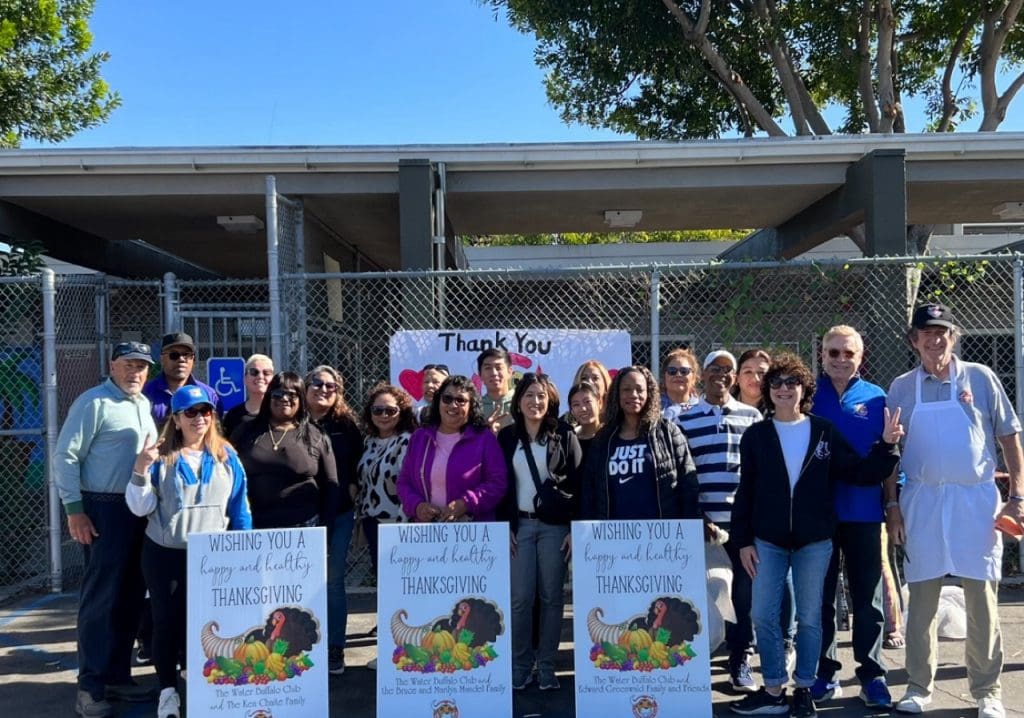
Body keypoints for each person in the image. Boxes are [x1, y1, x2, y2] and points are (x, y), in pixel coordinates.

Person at [729, 354, 902, 718]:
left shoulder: (823, 431)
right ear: (768, 390)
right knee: (763, 614)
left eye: (792, 382)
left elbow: (859, 473)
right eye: (776, 383)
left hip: (814, 541)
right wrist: (743, 540)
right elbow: (745, 492)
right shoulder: (756, 436)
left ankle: (804, 688)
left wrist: (886, 445)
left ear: (804, 389)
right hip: (767, 541)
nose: (784, 389)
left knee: (809, 617)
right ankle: (773, 689)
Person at [887, 304, 1024, 718]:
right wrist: (893, 506)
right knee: (921, 601)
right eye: (927, 333)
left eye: (943, 331)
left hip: (975, 502)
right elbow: (890, 451)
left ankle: (987, 691)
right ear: (914, 340)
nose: (936, 339)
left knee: (982, 600)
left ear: (954, 336)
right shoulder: (901, 387)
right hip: (922, 502)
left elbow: (1009, 437)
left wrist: (1017, 497)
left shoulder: (980, 377)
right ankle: (917, 686)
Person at [126, 385, 252, 718]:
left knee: (208, 623)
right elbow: (140, 508)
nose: (199, 418)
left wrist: (243, 550)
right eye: (191, 412)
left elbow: (239, 508)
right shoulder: (161, 457)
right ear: (177, 419)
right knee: (166, 622)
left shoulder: (227, 456)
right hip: (166, 553)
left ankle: (199, 682)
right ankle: (168, 691)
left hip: (211, 557)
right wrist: (140, 469)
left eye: (205, 411)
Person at [55, 341, 159, 718]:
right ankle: (91, 686)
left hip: (137, 508)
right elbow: (66, 455)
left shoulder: (143, 404)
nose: (135, 372)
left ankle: (117, 676)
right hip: (102, 509)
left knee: (130, 596)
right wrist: (75, 510)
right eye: (128, 364)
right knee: (101, 598)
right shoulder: (93, 402)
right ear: (112, 365)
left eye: (141, 366)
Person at [809, 326, 895, 708]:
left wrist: (892, 505)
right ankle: (824, 674)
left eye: (849, 353)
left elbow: (890, 459)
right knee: (820, 598)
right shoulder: (807, 395)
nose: (841, 359)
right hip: (817, 515)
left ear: (861, 357)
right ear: (822, 355)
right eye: (834, 352)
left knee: (867, 599)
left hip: (864, 513)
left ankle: (872, 675)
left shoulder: (877, 398)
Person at [673, 350, 762, 693]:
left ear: (735, 377)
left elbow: (757, 474)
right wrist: (698, 518)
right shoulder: (685, 420)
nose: (721, 375)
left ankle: (739, 661)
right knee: (703, 600)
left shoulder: (752, 417)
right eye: (714, 368)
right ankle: (694, 664)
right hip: (703, 527)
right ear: (703, 374)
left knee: (743, 598)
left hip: (742, 526)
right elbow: (682, 477)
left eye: (728, 369)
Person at [497, 373, 582, 691]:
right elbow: (500, 486)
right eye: (529, 395)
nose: (535, 401)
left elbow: (578, 484)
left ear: (550, 401)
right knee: (520, 599)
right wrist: (504, 526)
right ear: (518, 400)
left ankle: (546, 665)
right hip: (519, 527)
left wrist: (573, 528)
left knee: (551, 598)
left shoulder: (564, 434)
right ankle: (521, 665)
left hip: (554, 528)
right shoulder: (506, 437)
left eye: (541, 396)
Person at [580, 365, 699, 521]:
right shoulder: (603, 438)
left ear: (649, 393)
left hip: (662, 531)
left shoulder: (669, 432)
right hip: (613, 533)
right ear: (617, 394)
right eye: (626, 389)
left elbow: (688, 486)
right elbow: (589, 492)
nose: (633, 395)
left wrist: (691, 524)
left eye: (639, 389)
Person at [303, 365, 362, 676]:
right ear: (305, 386)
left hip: (338, 515)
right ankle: (301, 646)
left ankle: (335, 647)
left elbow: (357, 465)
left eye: (331, 386)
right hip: (301, 517)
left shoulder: (346, 425)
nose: (323, 390)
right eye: (317, 383)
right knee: (299, 583)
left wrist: (351, 489)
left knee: (333, 582)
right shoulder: (294, 419)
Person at [231, 371, 339, 530]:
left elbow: (331, 484)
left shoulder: (315, 435)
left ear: (301, 399)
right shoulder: (245, 431)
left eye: (292, 395)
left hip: (305, 526)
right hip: (254, 527)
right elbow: (229, 474)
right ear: (269, 397)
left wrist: (326, 529)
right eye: (278, 394)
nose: (284, 398)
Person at [397, 374, 508, 523]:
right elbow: (404, 482)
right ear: (438, 401)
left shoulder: (484, 439)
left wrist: (466, 504)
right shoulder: (420, 437)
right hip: (425, 530)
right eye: (447, 398)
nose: (453, 405)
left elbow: (497, 483)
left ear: (471, 406)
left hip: (472, 528)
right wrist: (417, 506)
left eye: (461, 400)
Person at [143, 332, 219, 428]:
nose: (181, 359)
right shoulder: (145, 394)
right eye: (174, 355)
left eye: (186, 355)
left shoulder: (209, 395)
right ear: (162, 359)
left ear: (193, 359)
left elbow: (216, 432)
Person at [222, 354, 274, 438]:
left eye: (266, 373)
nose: (260, 376)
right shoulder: (233, 415)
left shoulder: (279, 413)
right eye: (254, 372)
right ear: (245, 379)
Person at [478, 348, 515, 431]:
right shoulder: (475, 408)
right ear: (480, 374)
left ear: (510, 372)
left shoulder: (521, 403)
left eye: (498, 368)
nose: (494, 373)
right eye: (488, 368)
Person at [568, 380, 603, 465]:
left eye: (587, 402)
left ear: (599, 403)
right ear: (571, 411)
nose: (583, 409)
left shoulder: (612, 435)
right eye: (576, 405)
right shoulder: (569, 441)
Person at [660, 347, 700, 419]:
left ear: (694, 378)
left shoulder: (701, 408)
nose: (678, 375)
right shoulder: (653, 407)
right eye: (672, 371)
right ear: (664, 376)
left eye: (684, 371)